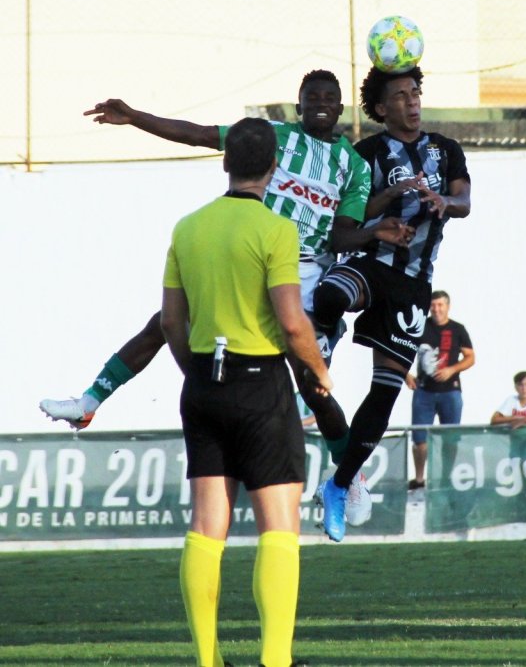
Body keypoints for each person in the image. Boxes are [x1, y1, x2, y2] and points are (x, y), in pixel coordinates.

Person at [39, 70, 411, 459]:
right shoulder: (272, 136)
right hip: (249, 258)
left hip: (303, 272)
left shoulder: (353, 166)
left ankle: (347, 476)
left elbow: (341, 235)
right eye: (311, 98)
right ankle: (88, 402)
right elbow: (199, 134)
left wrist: (373, 234)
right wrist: (135, 117)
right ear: (299, 106)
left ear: (339, 108)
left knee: (313, 389)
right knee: (163, 323)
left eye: (328, 98)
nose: (320, 103)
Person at [161, 117, 330, 667]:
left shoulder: (187, 227)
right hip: (261, 384)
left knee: (207, 525)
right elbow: (292, 322)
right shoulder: (277, 230)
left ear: (225, 162)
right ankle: (275, 660)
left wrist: (198, 370)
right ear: (276, 169)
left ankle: (207, 661)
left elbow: (170, 322)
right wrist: (319, 372)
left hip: (203, 384)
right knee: (280, 524)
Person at [312, 65, 471, 542]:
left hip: (412, 284)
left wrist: (443, 201)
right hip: (369, 260)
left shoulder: (446, 149)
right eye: (401, 95)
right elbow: (352, 214)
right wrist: (393, 196)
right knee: (329, 294)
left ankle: (339, 485)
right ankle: (323, 342)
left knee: (385, 392)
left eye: (416, 92)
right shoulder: (367, 153)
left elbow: (465, 201)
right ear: (381, 109)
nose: (413, 101)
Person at [404, 290, 475, 490]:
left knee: (449, 439)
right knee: (419, 440)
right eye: (433, 305)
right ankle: (419, 480)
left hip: (450, 392)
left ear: (447, 306)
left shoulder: (457, 329)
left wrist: (452, 369)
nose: (436, 309)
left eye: (440, 305)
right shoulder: (420, 326)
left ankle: (445, 479)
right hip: (424, 391)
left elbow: (470, 357)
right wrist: (405, 375)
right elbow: (401, 349)